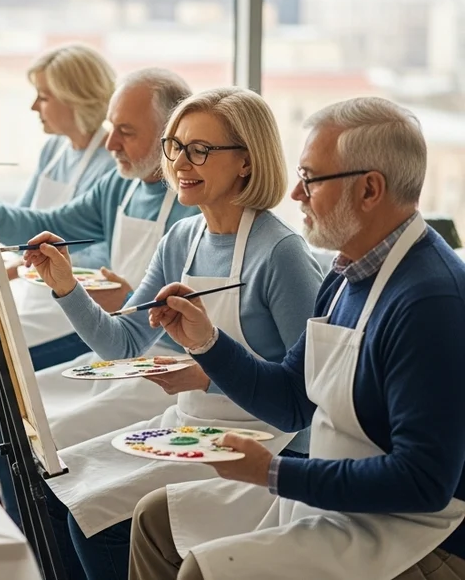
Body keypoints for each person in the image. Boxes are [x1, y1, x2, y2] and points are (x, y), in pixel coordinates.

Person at [130, 97, 465, 580]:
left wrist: (275, 472)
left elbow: (423, 483)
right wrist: (208, 342)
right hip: (335, 498)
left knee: (204, 571)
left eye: (310, 179)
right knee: (157, 520)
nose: (295, 194)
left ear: (370, 189)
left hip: (414, 533)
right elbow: (292, 399)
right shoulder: (346, 274)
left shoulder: (431, 300)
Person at [24, 87, 322, 580]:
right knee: (54, 490)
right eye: (175, 146)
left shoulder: (281, 254)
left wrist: (208, 375)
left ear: (246, 162)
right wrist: (66, 286)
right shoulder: (183, 237)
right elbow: (123, 344)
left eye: (200, 150)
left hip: (264, 445)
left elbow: (310, 396)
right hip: (190, 426)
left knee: (96, 525)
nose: (181, 162)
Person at [0, 68, 200, 522]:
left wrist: (132, 304)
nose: (110, 144)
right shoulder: (118, 185)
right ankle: (30, 551)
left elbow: (206, 331)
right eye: (112, 128)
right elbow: (40, 225)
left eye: (126, 132)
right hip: (119, 350)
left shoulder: (193, 209)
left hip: (161, 368)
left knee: (40, 440)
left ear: (170, 137)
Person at [0, 44, 119, 427]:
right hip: (34, 300)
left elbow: (92, 257)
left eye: (44, 97)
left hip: (68, 313)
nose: (35, 107)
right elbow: (27, 224)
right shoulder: (53, 150)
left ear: (75, 99)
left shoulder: (113, 165)